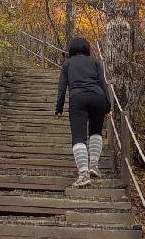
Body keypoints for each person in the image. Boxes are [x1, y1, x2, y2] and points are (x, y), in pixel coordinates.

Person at [55, 36, 111, 187]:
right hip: (98, 96)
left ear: (71, 49)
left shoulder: (67, 64)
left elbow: (62, 87)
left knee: (79, 137)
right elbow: (103, 84)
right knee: (96, 132)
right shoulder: (95, 62)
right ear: (87, 48)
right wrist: (108, 106)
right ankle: (94, 165)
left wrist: (58, 108)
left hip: (78, 97)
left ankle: (84, 174)